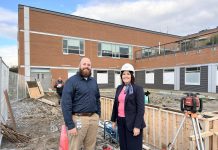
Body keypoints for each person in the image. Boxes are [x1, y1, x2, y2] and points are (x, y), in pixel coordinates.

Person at [61, 57, 101, 150]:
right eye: (84, 64)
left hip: (93, 119)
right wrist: (70, 125)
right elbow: (66, 103)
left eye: (88, 65)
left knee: (91, 147)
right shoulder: (71, 81)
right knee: (75, 147)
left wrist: (98, 115)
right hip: (78, 120)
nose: (86, 66)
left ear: (91, 67)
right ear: (79, 65)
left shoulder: (93, 82)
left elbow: (97, 99)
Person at [111, 63, 146, 150]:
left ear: (132, 75)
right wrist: (113, 120)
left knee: (133, 147)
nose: (125, 76)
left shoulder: (138, 89)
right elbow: (116, 104)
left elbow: (141, 109)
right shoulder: (119, 88)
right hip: (121, 122)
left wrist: (137, 126)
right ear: (121, 76)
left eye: (128, 74)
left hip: (133, 123)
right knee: (123, 146)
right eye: (123, 74)